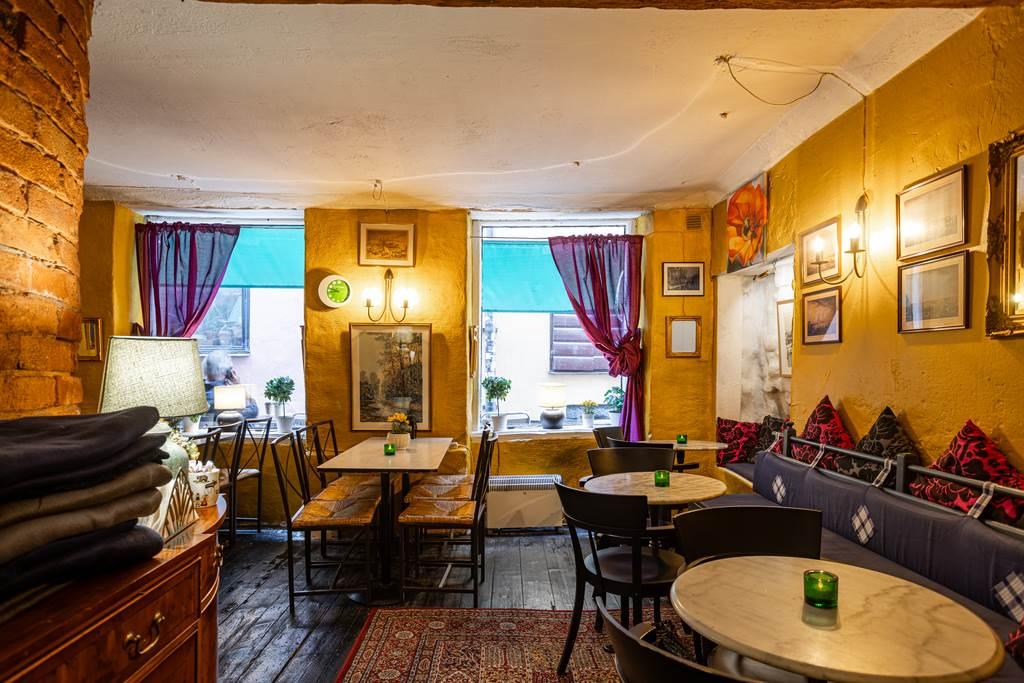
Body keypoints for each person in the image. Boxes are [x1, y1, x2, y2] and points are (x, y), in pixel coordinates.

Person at [202, 350, 258, 421]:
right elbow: (253, 411)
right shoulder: (228, 394)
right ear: (228, 372)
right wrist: (238, 385)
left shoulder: (199, 391)